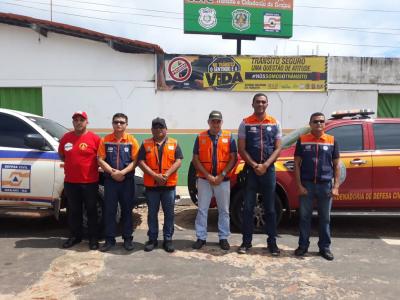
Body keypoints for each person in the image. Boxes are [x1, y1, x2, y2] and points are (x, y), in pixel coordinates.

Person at [237, 93, 282, 255]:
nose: (260, 104)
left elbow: (278, 148)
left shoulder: (275, 123)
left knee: (270, 208)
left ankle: (272, 243)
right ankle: (246, 243)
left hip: (268, 171)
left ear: (267, 104)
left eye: (263, 102)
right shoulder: (245, 123)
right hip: (251, 171)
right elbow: (241, 148)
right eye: (258, 102)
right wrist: (255, 165)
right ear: (253, 104)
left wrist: (266, 165)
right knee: (248, 208)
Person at [294, 112, 340, 261]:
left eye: (321, 121)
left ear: (324, 124)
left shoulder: (332, 141)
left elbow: (336, 165)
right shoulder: (302, 140)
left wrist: (336, 186)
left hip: (325, 185)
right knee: (304, 217)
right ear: (310, 124)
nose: (319, 124)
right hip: (307, 185)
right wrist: (299, 185)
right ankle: (303, 246)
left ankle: (324, 248)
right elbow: (296, 164)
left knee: (325, 219)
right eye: (315, 121)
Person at [192, 110, 237, 250]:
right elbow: (195, 159)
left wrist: (222, 175)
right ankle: (201, 237)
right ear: (209, 122)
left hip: (223, 180)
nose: (215, 124)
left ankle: (223, 237)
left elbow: (233, 158)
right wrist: (208, 176)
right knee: (202, 209)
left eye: (218, 121)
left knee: (224, 210)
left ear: (221, 122)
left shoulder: (229, 137)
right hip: (204, 180)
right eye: (213, 121)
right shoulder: (200, 137)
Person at [138, 118, 183, 253]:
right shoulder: (145, 144)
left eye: (161, 127)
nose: (158, 130)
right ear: (151, 130)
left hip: (168, 186)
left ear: (166, 129)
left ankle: (168, 240)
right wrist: (154, 176)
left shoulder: (174, 143)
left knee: (169, 214)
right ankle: (152, 239)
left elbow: (178, 161)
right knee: (152, 214)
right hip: (152, 186)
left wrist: (166, 175)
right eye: (155, 127)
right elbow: (140, 161)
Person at [58, 111, 100, 250]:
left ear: (87, 121)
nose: (78, 122)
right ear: (73, 122)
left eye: (81, 119)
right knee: (73, 211)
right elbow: (62, 155)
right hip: (71, 182)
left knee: (91, 211)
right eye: (75, 120)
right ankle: (75, 236)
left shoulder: (95, 139)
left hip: (90, 182)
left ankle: (93, 239)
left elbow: (100, 159)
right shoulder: (66, 138)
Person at [97, 113, 139, 252]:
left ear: (126, 124)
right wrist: (112, 173)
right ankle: (110, 240)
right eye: (116, 122)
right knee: (110, 211)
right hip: (110, 181)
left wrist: (123, 173)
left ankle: (127, 239)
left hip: (127, 181)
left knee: (127, 210)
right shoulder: (105, 140)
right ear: (112, 124)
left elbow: (136, 161)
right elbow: (100, 159)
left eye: (122, 122)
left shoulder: (132, 140)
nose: (119, 124)